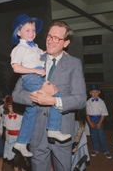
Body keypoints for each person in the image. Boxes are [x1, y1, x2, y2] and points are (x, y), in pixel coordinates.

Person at [12, 20, 87, 171]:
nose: (50, 41)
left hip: (62, 132)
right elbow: (16, 95)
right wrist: (37, 96)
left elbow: (80, 99)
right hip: (36, 133)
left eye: (56, 38)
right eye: (49, 36)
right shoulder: (33, 58)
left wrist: (52, 100)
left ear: (66, 43)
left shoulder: (74, 63)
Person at [11, 14, 70, 157]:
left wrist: (60, 52)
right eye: (27, 30)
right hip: (31, 78)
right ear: (19, 33)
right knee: (56, 96)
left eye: (33, 30)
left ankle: (21, 142)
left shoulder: (34, 47)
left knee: (30, 111)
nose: (31, 33)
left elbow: (43, 54)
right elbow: (16, 68)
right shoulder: (18, 49)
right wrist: (35, 70)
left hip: (34, 77)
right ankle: (53, 129)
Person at [85, 83, 112, 158]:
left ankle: (105, 150)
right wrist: (90, 123)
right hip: (91, 120)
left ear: (99, 92)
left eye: (96, 92)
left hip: (99, 120)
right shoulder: (88, 102)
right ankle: (95, 149)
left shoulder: (101, 102)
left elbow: (103, 114)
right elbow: (87, 114)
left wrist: (100, 123)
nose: (94, 94)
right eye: (93, 92)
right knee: (93, 136)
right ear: (90, 93)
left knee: (101, 136)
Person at [3, 95, 29, 171]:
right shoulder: (6, 117)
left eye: (11, 106)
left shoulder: (20, 116)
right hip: (10, 139)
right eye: (9, 106)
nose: (10, 108)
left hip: (19, 138)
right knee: (14, 159)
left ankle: (23, 168)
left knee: (20, 158)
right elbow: (6, 130)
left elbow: (24, 129)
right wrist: (7, 139)